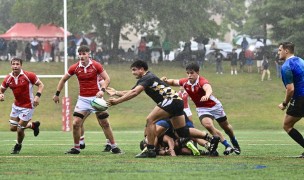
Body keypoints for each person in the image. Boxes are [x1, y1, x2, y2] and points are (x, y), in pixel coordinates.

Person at [107, 60, 220, 158]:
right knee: (181, 131)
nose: (133, 73)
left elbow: (134, 92)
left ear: (141, 69)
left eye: (134, 70)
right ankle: (210, 138)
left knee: (150, 120)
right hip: (177, 101)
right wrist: (116, 92)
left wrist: (117, 101)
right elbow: (131, 91)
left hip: (170, 100)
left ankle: (150, 150)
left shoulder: (147, 77)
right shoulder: (147, 78)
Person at [52, 45, 121, 154]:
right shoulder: (74, 67)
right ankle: (76, 147)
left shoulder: (96, 65)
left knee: (104, 123)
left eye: (84, 53)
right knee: (76, 123)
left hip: (96, 99)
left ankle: (114, 147)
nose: (82, 56)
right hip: (83, 100)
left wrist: (102, 90)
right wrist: (57, 94)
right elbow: (63, 79)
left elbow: (107, 79)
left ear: (89, 54)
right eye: (80, 54)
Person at [161, 63, 241, 155]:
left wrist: (207, 95)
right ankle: (226, 145)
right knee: (208, 125)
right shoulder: (185, 82)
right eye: (188, 73)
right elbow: (173, 82)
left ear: (197, 72)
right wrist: (166, 80)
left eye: (192, 73)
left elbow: (208, 88)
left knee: (226, 127)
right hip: (202, 108)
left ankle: (234, 143)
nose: (189, 75)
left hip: (215, 106)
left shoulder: (202, 81)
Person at [0, 57, 43, 154]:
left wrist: (37, 96)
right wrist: (1, 94)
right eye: (13, 64)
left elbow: (41, 85)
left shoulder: (29, 75)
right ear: (11, 65)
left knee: (20, 129)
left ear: (21, 65)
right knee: (12, 128)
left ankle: (18, 145)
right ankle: (33, 125)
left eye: (17, 64)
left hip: (28, 106)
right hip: (16, 106)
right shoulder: (8, 78)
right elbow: (1, 89)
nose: (15, 66)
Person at [277, 42, 304, 158]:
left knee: (287, 125)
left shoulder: (286, 66)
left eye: (279, 50)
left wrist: (284, 104)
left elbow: (290, 89)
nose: (278, 52)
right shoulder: (301, 61)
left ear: (286, 51)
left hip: (300, 98)